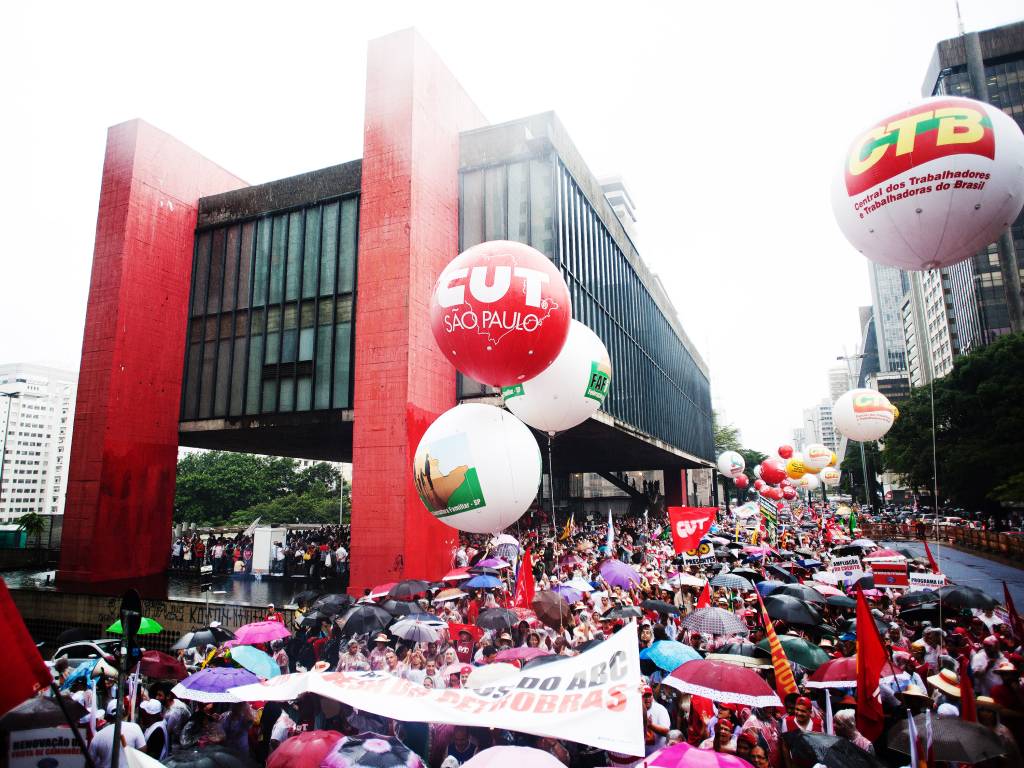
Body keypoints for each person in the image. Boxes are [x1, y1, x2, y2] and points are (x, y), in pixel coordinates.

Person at [642, 685, 671, 755]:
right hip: (641, 754)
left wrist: (651, 725)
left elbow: (666, 732)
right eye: (644, 696)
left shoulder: (660, 709)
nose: (647, 698)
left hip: (658, 754)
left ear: (652, 697)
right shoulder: (634, 709)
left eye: (649, 696)